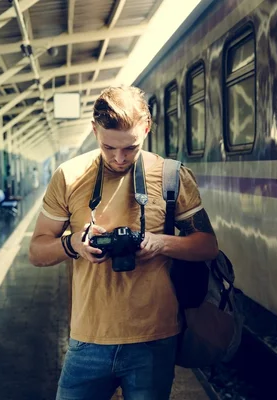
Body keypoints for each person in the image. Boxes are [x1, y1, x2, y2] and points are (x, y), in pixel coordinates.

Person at [28, 85, 218, 400]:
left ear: (146, 128)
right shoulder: (69, 176)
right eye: (108, 147)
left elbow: (207, 245)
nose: (119, 158)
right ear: (94, 130)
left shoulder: (172, 176)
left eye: (130, 148)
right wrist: (74, 243)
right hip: (88, 338)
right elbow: (36, 251)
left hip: (155, 338)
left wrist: (159, 243)